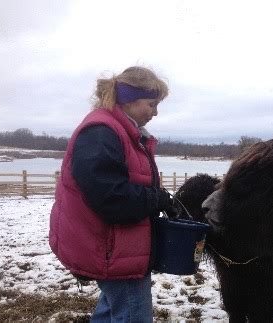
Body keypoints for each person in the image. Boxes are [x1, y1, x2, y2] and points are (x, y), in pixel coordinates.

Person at [49, 66, 176, 322]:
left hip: (118, 246)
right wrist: (156, 200)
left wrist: (159, 197)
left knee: (111, 311)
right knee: (132, 315)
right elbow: (110, 197)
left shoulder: (122, 131)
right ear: (129, 99)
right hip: (111, 249)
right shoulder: (101, 132)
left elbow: (123, 183)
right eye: (151, 104)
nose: (155, 112)